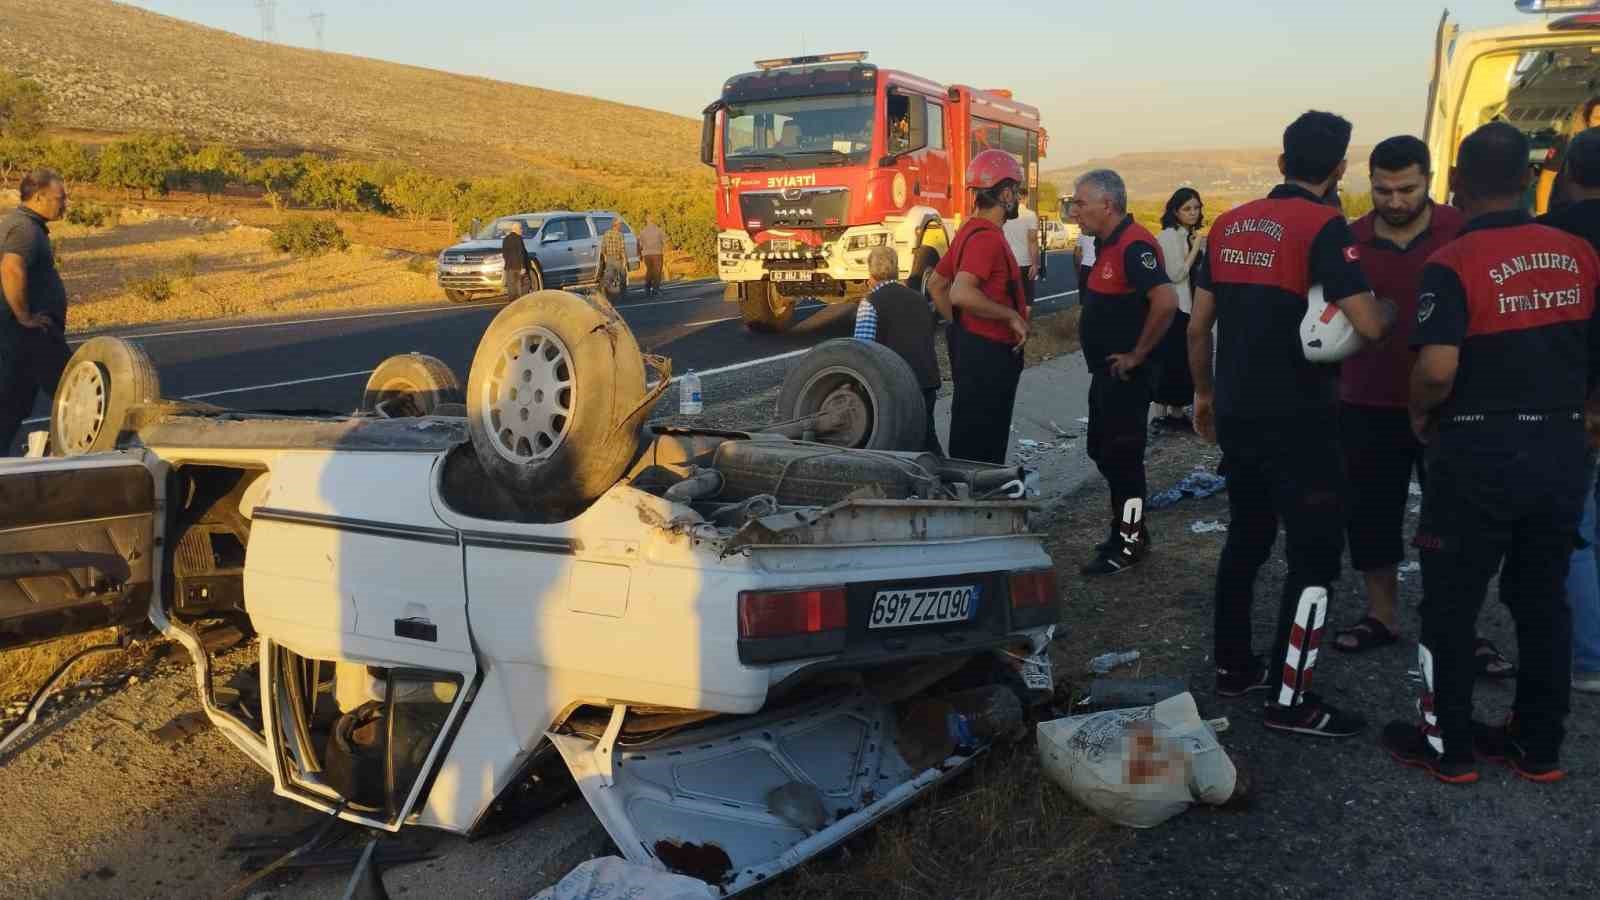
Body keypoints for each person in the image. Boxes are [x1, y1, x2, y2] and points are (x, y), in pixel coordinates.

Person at [1383, 122, 1600, 783]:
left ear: (1455, 183)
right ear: (1534, 178)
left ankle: (1447, 746)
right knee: (1542, 601)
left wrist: (1418, 409)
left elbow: (1438, 368)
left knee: (1449, 603)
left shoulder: (1449, 264)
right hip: (1562, 449)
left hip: (1476, 450)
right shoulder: (1579, 254)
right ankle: (1538, 746)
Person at [1188, 111, 1395, 738]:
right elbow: (1370, 324)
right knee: (1314, 556)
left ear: (1281, 164)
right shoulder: (1325, 226)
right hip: (1302, 421)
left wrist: (1203, 394)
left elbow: (1198, 326)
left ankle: (1232, 668)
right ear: (1339, 169)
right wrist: (1383, 305)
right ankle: (1292, 697)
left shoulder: (1226, 225)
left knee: (1247, 538)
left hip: (1238, 413)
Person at [1329, 138, 1500, 667]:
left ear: (1429, 180)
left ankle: (1456, 626)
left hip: (1448, 404)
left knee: (1453, 520)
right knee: (1371, 515)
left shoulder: (1462, 232)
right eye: (1383, 190)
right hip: (1365, 401)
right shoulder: (1349, 240)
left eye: (1407, 189)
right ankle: (1381, 616)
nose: (1396, 201)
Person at [1072, 169, 1179, 576]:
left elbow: (1165, 301)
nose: (1075, 210)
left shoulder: (1136, 246)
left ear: (1108, 204)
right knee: (1104, 452)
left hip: (1127, 378)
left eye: (1082, 203)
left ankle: (1130, 541)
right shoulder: (1107, 244)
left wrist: (1137, 355)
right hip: (1107, 377)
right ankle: (1127, 531)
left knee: (1125, 460)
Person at [1539, 126, 1600, 696]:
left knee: (1578, 534)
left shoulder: (1551, 237)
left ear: (1569, 175)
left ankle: (1590, 658)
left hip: (1572, 404)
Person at [926, 148, 1029, 464]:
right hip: (990, 356)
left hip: (973, 349)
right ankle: (982, 503)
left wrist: (962, 328)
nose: (1018, 199)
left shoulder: (968, 232)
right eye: (1017, 192)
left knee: (969, 432)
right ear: (1006, 193)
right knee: (985, 442)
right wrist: (1010, 316)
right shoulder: (987, 239)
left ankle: (970, 496)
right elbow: (960, 293)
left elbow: (936, 285)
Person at [1, 169, 73, 456]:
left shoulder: (23, 224)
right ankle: (88, 459)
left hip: (24, 335)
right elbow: (10, 268)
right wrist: (24, 316)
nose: (65, 203)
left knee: (12, 403)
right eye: (60, 197)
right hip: (32, 333)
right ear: (40, 196)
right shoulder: (26, 229)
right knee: (76, 389)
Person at [854, 245, 942, 455]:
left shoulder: (871, 303)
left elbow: (862, 350)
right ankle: (944, 480)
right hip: (927, 379)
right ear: (896, 269)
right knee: (926, 436)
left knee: (898, 443)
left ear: (870, 272)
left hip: (896, 384)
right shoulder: (919, 299)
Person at [1154, 188, 1206, 427]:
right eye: (1187, 208)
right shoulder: (1170, 236)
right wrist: (1197, 248)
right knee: (1172, 359)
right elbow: (1176, 274)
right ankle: (1165, 414)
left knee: (1178, 359)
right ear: (1175, 211)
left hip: (1188, 305)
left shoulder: (1187, 234)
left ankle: (1172, 413)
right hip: (1175, 306)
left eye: (1196, 207)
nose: (1193, 212)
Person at [1535, 96, 1600, 215]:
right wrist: (1541, 214)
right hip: (1567, 213)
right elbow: (1546, 180)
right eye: (1598, 118)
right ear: (1587, 120)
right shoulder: (1566, 142)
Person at [1003, 186, 1040, 305]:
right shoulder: (1030, 215)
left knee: (1008, 298)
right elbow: (1033, 240)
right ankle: (1022, 323)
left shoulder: (1004, 214)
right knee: (1026, 301)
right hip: (1025, 263)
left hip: (1006, 262)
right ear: (1026, 198)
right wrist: (1034, 264)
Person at [501, 220, 532, 298]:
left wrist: (507, 265)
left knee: (511, 287)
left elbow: (504, 254)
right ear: (516, 229)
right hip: (518, 267)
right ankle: (520, 302)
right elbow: (521, 253)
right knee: (522, 285)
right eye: (521, 229)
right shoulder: (518, 239)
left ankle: (512, 302)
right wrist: (523, 267)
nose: (522, 230)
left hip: (509, 267)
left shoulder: (506, 239)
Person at [638, 216, 667, 297]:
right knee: (657, 272)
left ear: (646, 221)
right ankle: (655, 289)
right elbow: (665, 241)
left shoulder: (642, 231)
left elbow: (639, 244)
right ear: (654, 221)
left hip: (646, 255)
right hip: (657, 253)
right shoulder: (659, 230)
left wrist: (640, 254)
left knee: (649, 271)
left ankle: (647, 288)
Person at [597, 218, 628, 295]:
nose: (620, 226)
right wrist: (624, 261)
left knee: (609, 276)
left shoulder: (606, 233)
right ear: (617, 225)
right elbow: (622, 248)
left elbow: (603, 248)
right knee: (622, 275)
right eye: (619, 224)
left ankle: (605, 292)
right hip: (618, 258)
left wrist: (605, 258)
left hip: (609, 258)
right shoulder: (620, 234)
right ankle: (623, 293)